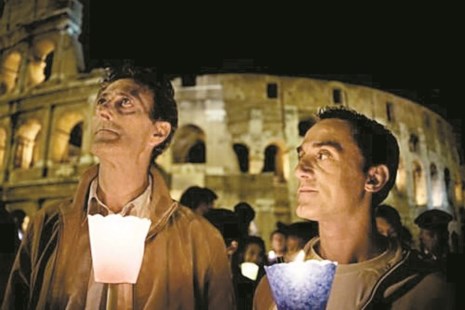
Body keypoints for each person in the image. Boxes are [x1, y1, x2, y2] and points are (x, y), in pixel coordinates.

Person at [2, 65, 235, 309]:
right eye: (102, 101)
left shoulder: (200, 240)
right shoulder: (46, 225)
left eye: (125, 102)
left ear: (158, 132)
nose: (103, 110)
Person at [253, 106, 455, 309]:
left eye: (323, 155)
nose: (299, 170)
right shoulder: (274, 288)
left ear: (374, 178)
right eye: (301, 156)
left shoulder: (426, 293)